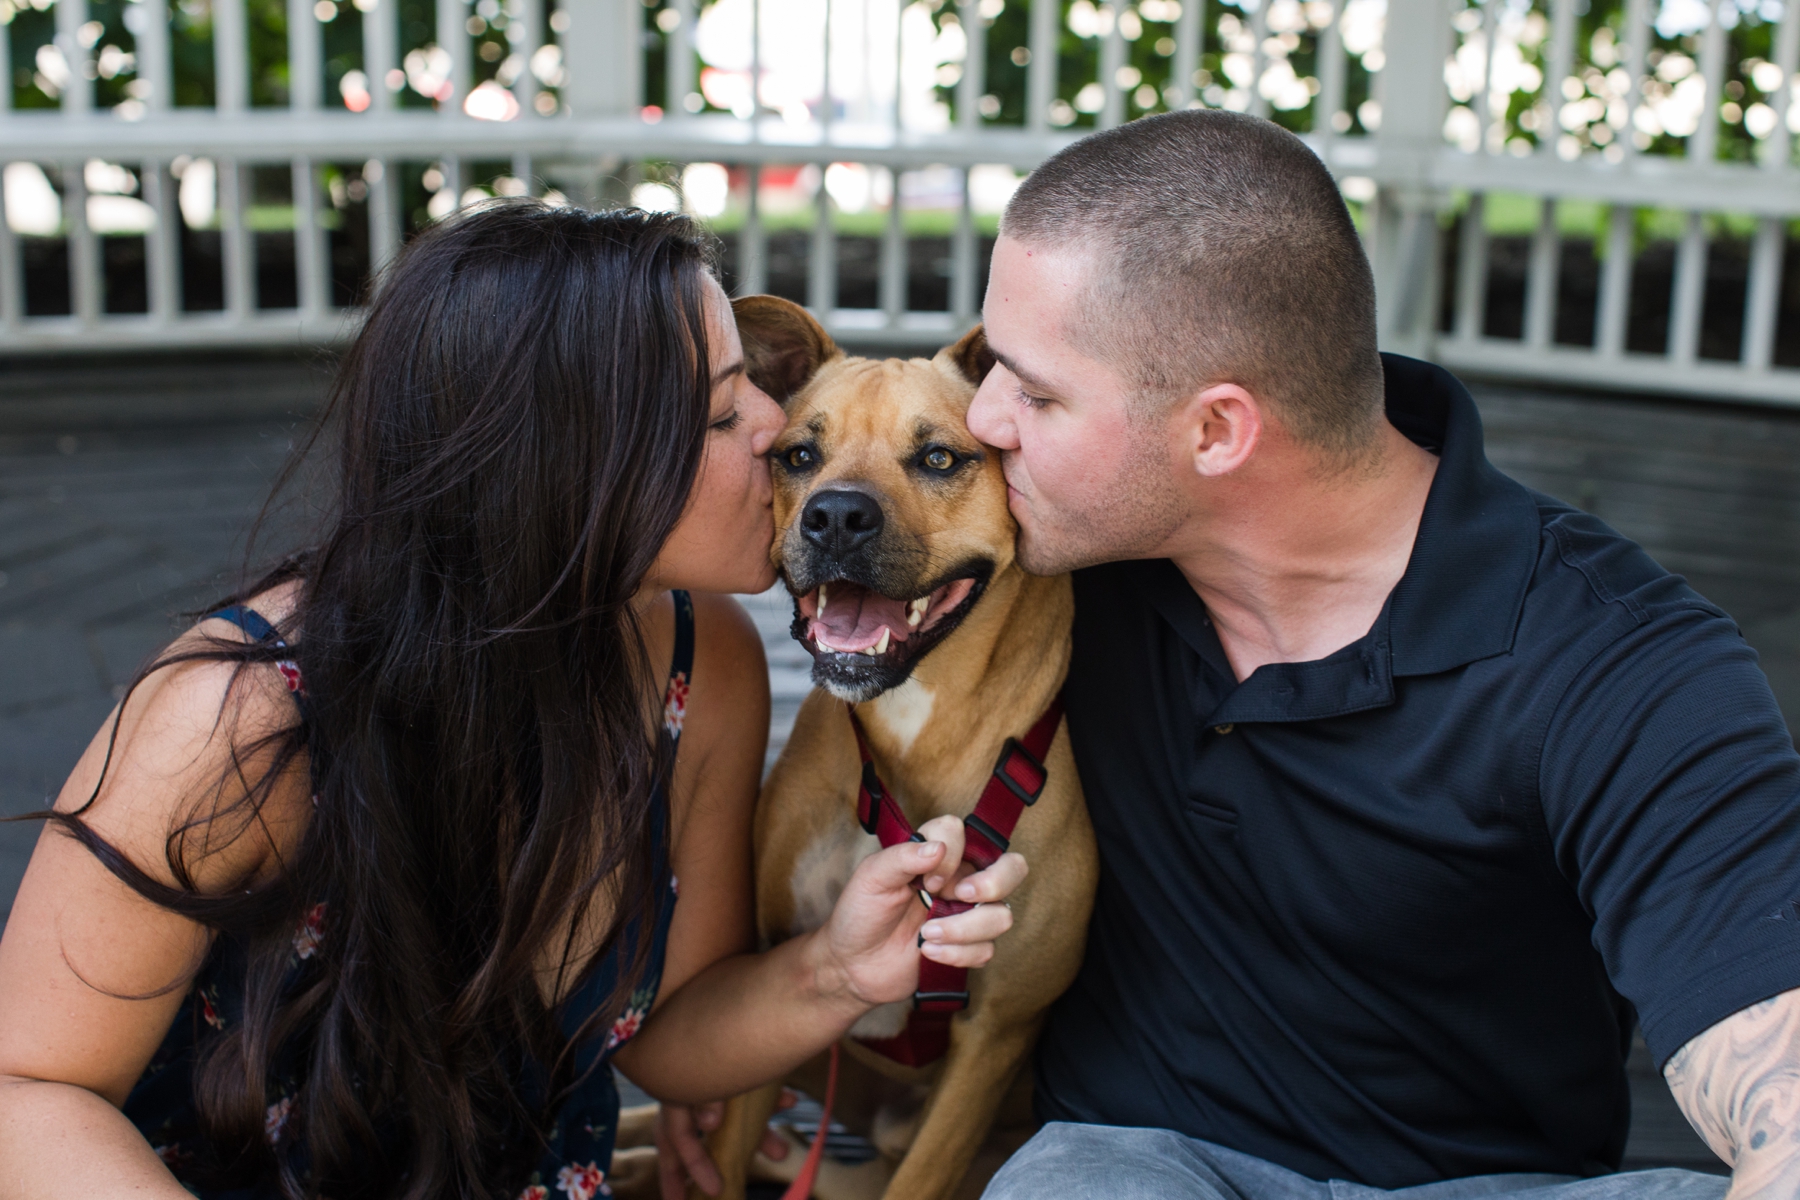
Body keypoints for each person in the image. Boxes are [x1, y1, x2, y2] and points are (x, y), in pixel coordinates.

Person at [0, 202, 1024, 1200]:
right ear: (567, 468)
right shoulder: (244, 716)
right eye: (723, 410)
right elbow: (27, 1091)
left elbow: (669, 1033)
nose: (778, 426)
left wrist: (835, 972)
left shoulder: (702, 661)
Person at [958, 110, 1800, 1199]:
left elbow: (1775, 1050)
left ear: (1217, 432)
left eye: (1036, 392)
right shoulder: (1056, 557)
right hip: (1135, 1160)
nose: (980, 419)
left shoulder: (1618, 661)